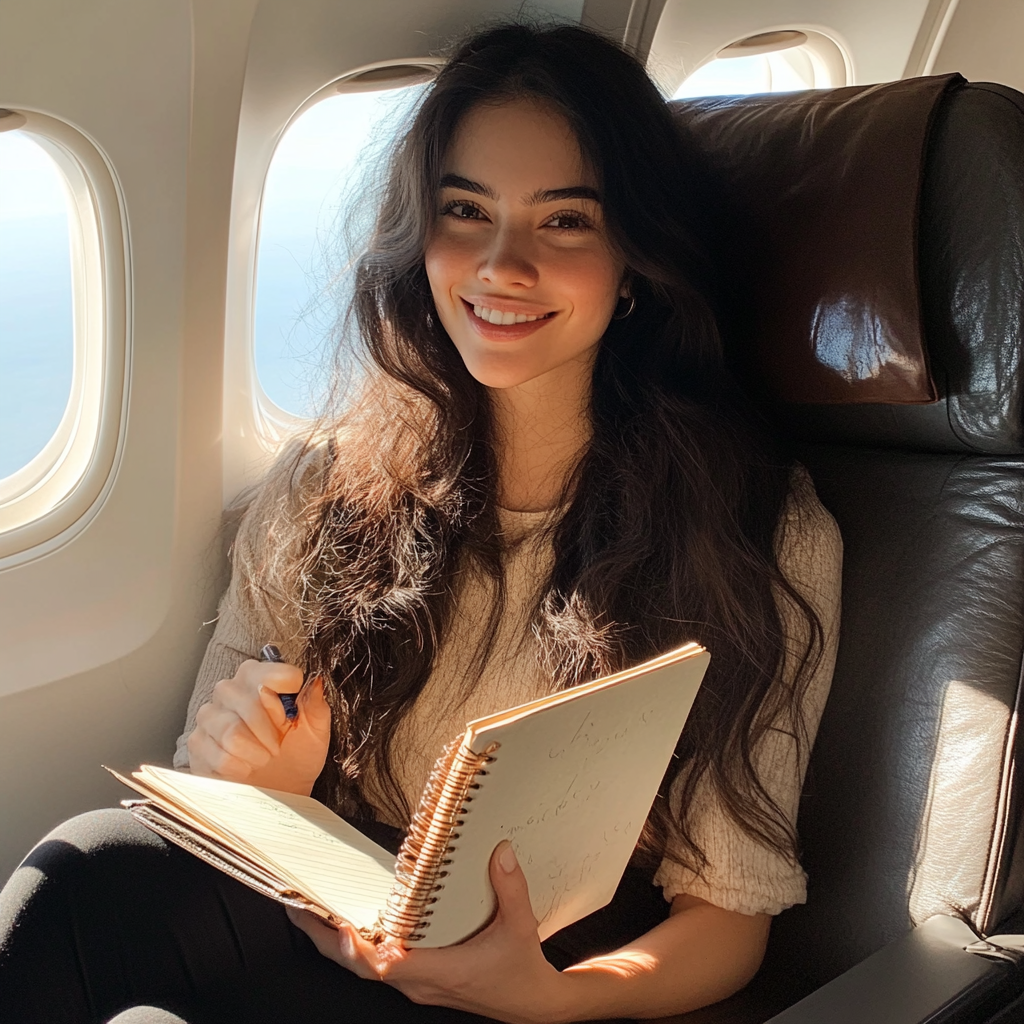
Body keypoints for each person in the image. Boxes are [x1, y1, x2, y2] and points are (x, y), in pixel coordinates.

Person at [0, 22, 841, 1024]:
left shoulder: (756, 528)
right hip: (326, 917)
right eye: (464, 212)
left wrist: (554, 998)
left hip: (530, 979)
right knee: (84, 874)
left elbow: (730, 915)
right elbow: (212, 784)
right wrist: (260, 780)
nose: (500, 266)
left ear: (633, 261)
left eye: (563, 222)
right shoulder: (325, 484)